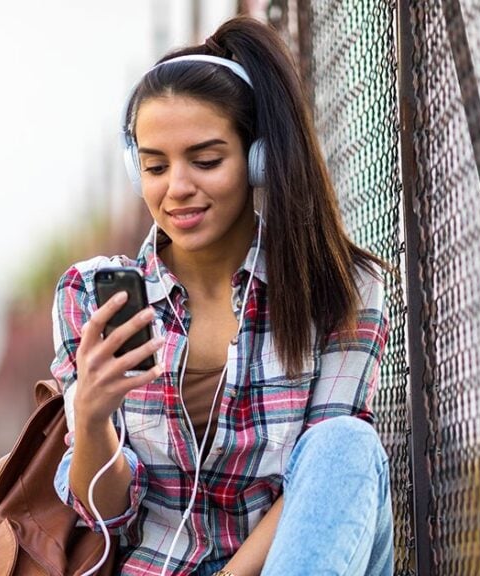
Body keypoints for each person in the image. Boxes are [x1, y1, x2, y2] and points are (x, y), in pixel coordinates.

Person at [50, 16, 395, 576]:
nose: (177, 187)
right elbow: (105, 519)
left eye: (206, 161)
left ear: (257, 157)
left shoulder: (342, 288)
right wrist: (91, 417)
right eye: (155, 166)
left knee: (345, 445)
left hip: (294, 562)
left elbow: (320, 494)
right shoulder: (90, 295)